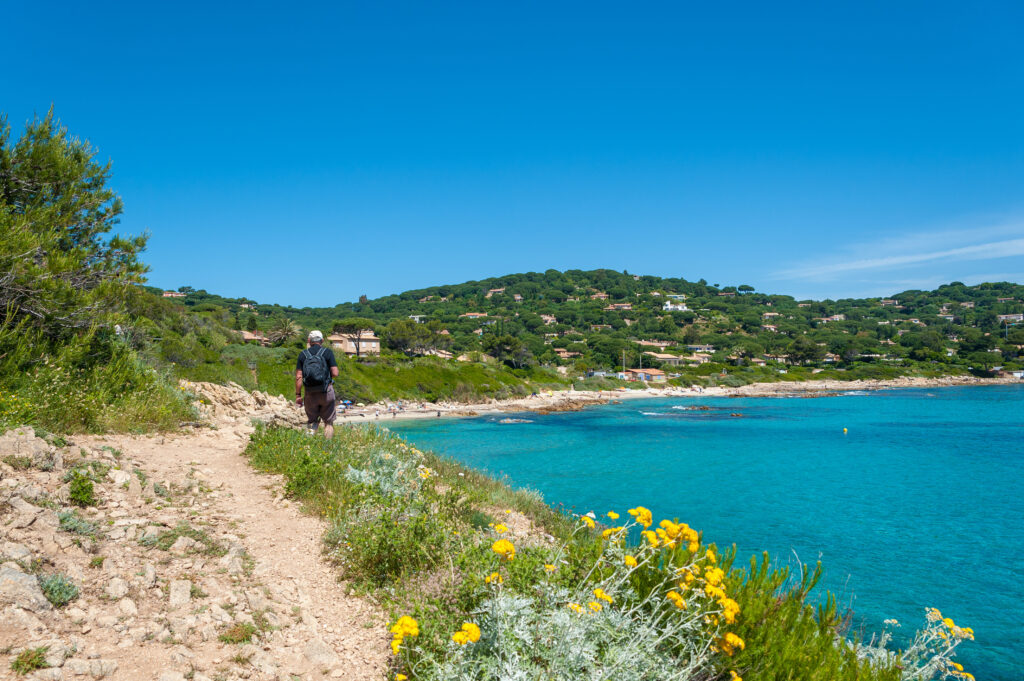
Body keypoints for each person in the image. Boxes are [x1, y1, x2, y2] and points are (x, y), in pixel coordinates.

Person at [295, 330, 339, 438]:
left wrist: (298, 395)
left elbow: (298, 377)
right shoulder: (327, 352)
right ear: (322, 340)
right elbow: (335, 373)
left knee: (312, 421)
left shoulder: (303, 354)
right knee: (328, 422)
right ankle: (327, 448)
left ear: (309, 341)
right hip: (326, 392)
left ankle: (309, 446)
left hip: (310, 393)